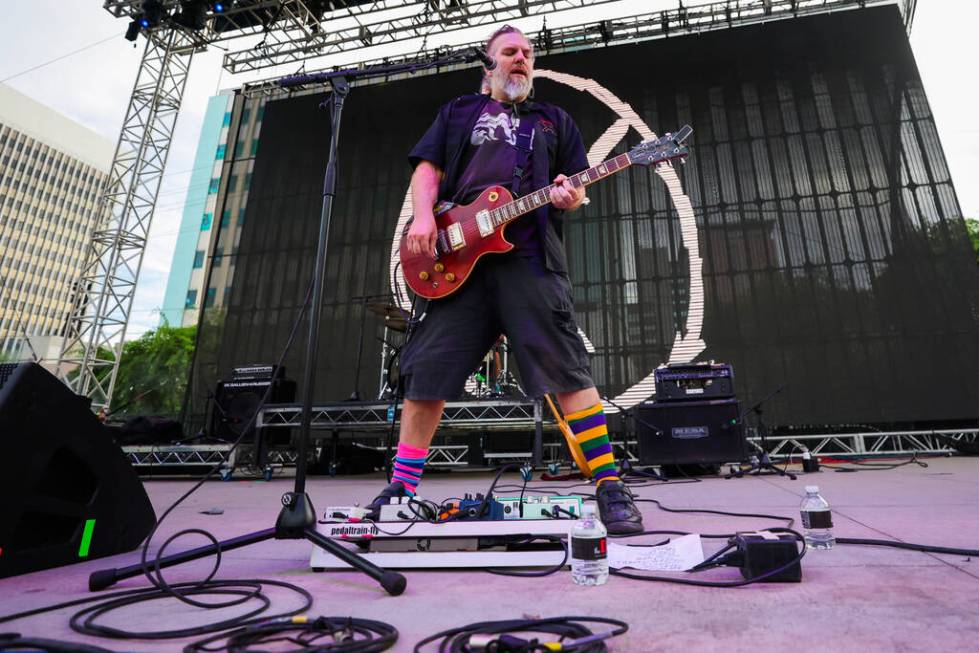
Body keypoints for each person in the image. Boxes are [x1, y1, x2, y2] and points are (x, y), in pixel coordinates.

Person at [371, 25, 643, 534]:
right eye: (510, 52)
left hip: (531, 260)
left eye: (528, 54)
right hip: (457, 263)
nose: (521, 60)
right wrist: (425, 219)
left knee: (567, 369)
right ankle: (401, 489)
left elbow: (576, 189)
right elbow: (426, 170)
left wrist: (570, 195)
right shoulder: (458, 112)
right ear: (489, 65)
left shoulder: (553, 121)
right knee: (426, 371)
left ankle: (609, 484)